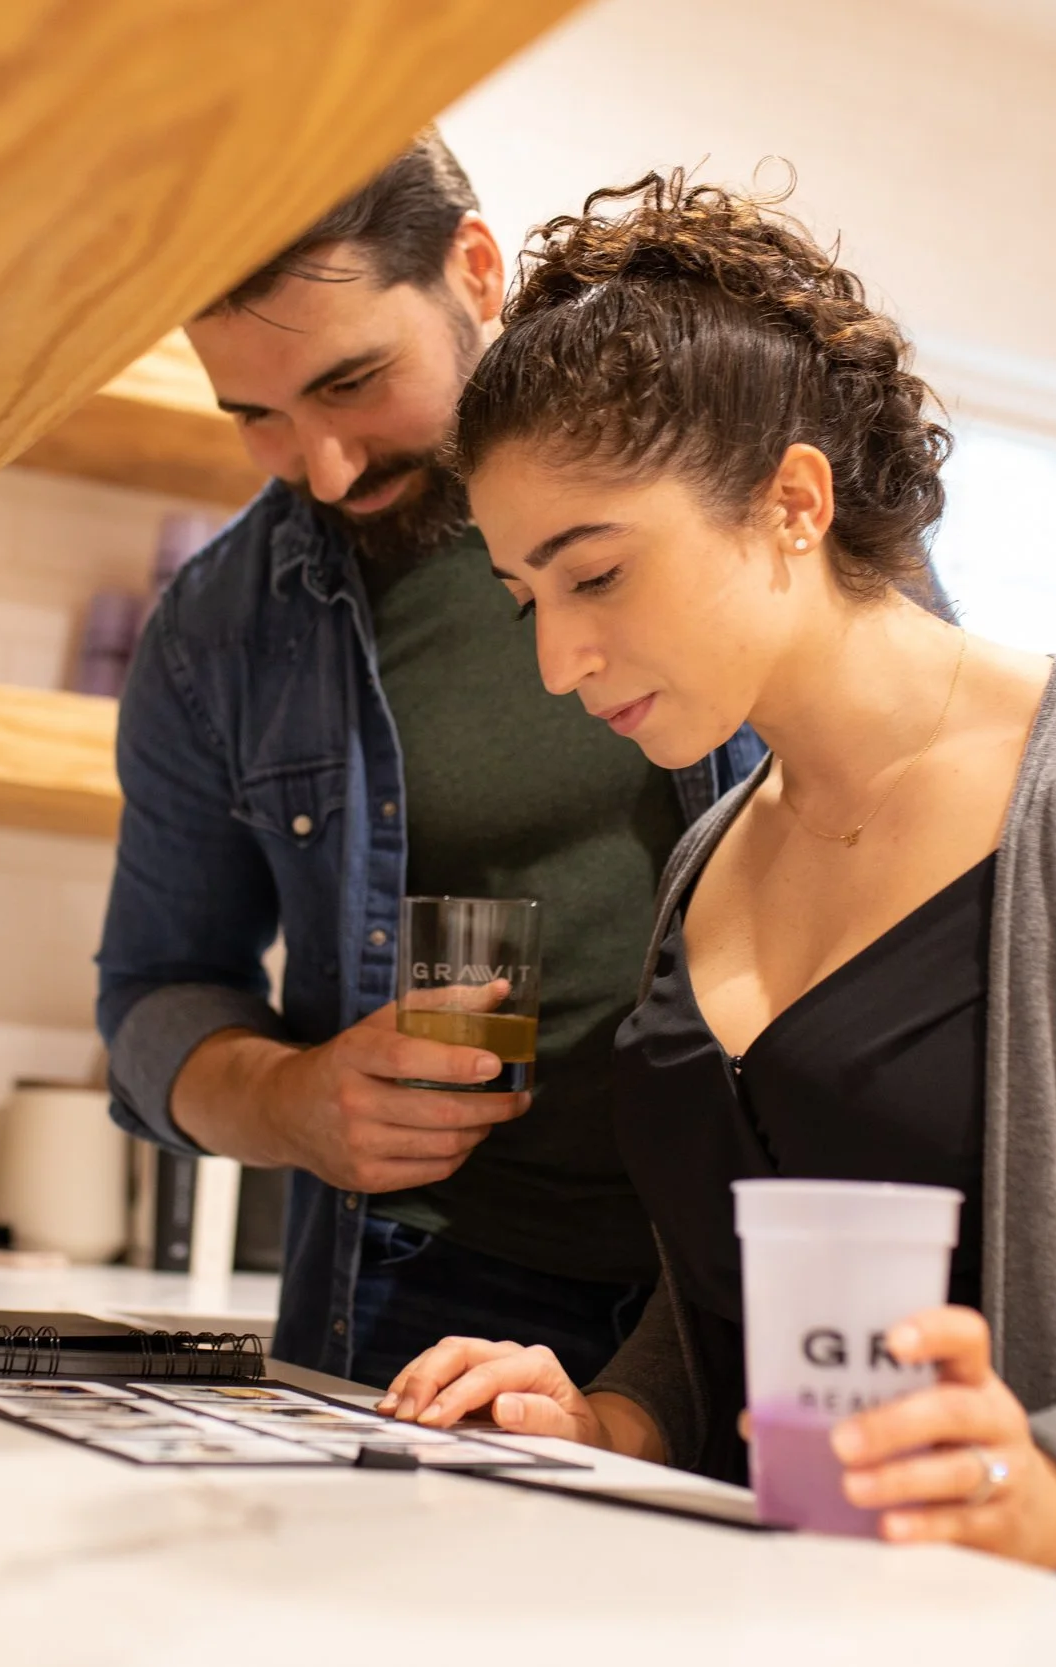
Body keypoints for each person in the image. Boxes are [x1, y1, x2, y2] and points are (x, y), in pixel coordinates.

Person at [376, 172, 1056, 1649]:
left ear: (794, 500)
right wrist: (612, 1414)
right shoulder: (708, 856)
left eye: (598, 573)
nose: (560, 658)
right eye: (525, 599)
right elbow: (741, 1293)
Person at [95, 133, 806, 1385]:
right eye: (256, 415)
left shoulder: (719, 478)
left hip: (768, 1249)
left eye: (355, 381)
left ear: (474, 270)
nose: (323, 463)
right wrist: (293, 1099)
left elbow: (908, 792)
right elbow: (154, 991)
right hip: (429, 1280)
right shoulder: (218, 633)